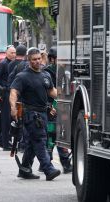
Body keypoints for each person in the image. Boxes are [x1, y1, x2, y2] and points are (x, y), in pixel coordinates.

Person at [10, 47, 61, 181]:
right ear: (28, 60)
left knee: (32, 143)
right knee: (40, 140)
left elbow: (52, 92)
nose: (37, 61)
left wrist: (66, 96)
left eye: (39, 58)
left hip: (43, 113)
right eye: (34, 59)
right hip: (31, 115)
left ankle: (24, 169)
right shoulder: (22, 76)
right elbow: (14, 92)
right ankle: (48, 169)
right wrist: (13, 108)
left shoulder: (45, 75)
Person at [44, 46, 72, 174]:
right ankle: (57, 163)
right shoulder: (48, 72)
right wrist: (53, 106)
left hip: (60, 106)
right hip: (52, 106)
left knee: (58, 134)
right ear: (52, 59)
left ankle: (51, 162)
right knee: (52, 135)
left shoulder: (62, 71)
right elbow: (53, 92)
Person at [0, 45, 16, 150]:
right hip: (5, 95)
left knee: (11, 119)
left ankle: (2, 140)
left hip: (12, 94)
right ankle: (5, 144)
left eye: (15, 53)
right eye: (11, 53)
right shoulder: (3, 64)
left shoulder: (13, 64)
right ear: (6, 53)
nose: (13, 55)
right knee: (6, 120)